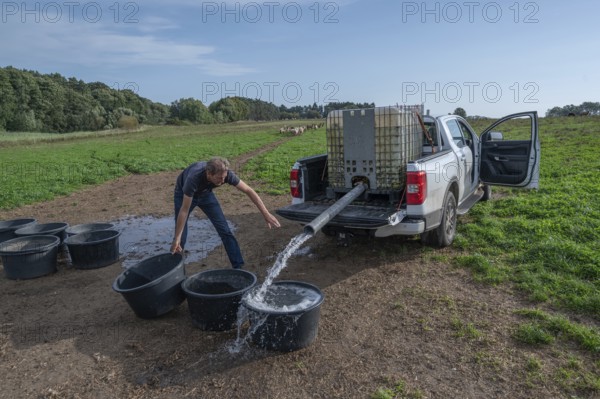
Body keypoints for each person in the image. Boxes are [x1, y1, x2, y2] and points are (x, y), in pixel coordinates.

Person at [170, 156, 280, 269]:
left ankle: (238, 267)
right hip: (183, 194)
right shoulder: (193, 178)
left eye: (224, 178)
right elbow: (184, 211)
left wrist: (266, 214)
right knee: (180, 237)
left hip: (206, 194)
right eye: (219, 178)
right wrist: (177, 238)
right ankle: (175, 272)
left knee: (225, 230)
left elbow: (248, 190)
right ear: (209, 174)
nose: (223, 181)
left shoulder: (226, 174)